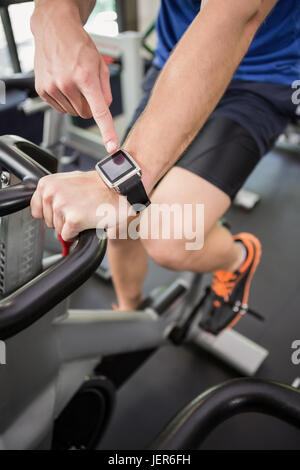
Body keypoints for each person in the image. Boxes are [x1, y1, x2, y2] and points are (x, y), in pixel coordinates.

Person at [30, 0, 299, 334]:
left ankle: (237, 257)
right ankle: (131, 318)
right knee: (119, 226)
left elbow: (234, 17)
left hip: (259, 79)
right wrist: (55, 15)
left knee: (167, 237)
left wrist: (115, 188)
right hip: (175, 65)